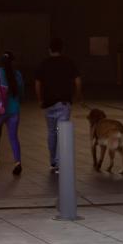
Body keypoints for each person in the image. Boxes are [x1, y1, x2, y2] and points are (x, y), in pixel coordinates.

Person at [35, 38, 81, 174]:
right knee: (63, 132)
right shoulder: (69, 62)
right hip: (64, 103)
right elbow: (78, 81)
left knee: (51, 132)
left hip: (48, 103)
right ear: (62, 49)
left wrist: (40, 100)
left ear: (49, 49)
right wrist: (77, 96)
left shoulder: (44, 63)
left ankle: (53, 162)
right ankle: (60, 163)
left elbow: (37, 83)